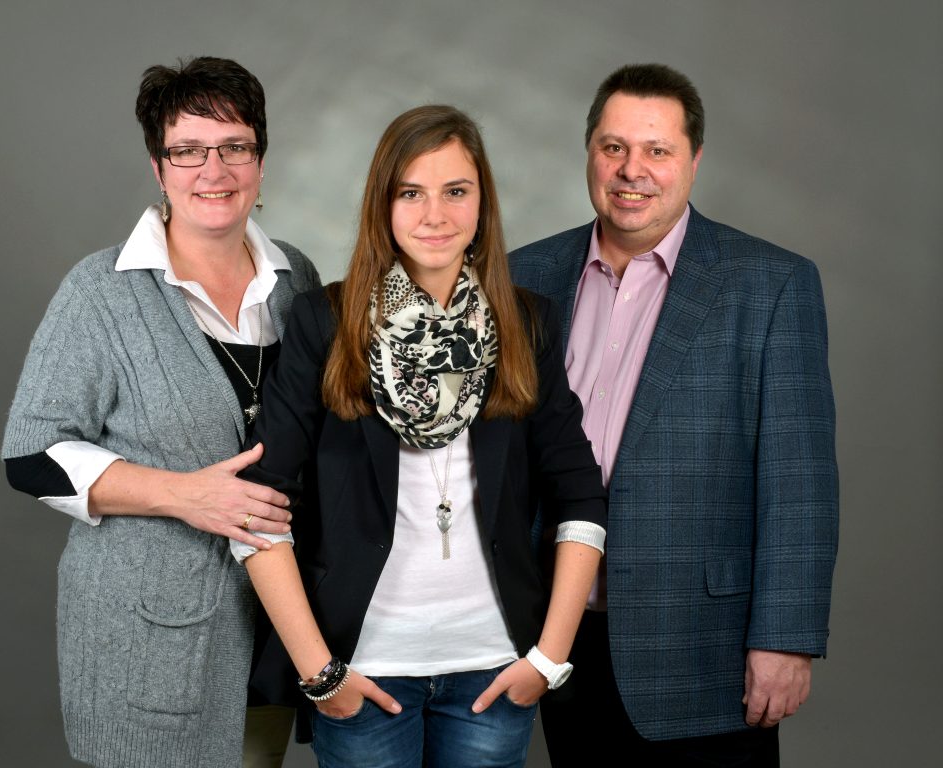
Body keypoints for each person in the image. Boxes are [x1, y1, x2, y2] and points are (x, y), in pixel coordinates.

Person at [232, 105, 606, 768]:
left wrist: (548, 659)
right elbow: (259, 505)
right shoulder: (324, 321)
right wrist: (321, 673)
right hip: (363, 672)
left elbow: (580, 494)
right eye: (411, 193)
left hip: (495, 671)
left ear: (482, 205)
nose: (435, 215)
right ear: (384, 205)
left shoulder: (528, 322)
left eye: (455, 191)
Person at [509, 63, 840, 766]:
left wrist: (785, 638)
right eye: (613, 147)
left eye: (657, 150)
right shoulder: (522, 276)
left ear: (693, 159)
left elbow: (800, 480)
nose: (633, 170)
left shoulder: (769, 284)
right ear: (589, 153)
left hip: (702, 645)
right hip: (555, 637)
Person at [1, 57, 320, 768]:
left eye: (234, 146)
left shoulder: (295, 278)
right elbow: (29, 457)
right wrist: (184, 495)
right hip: (146, 638)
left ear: (260, 159)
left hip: (275, 626)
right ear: (159, 166)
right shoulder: (99, 292)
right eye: (188, 151)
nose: (214, 169)